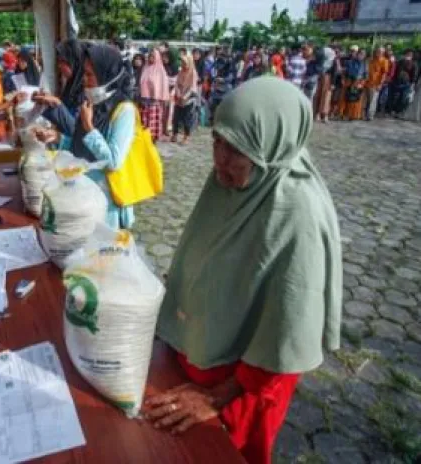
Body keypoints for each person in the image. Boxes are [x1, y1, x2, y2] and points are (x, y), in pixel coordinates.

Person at [146, 77, 342, 464]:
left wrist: (216, 397)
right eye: (217, 141)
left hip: (244, 385)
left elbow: (288, 332)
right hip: (197, 352)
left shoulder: (297, 213)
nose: (219, 159)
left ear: (271, 144)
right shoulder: (231, 178)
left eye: (235, 148)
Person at [35, 44, 136, 230]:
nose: (84, 80)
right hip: (84, 194)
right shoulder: (93, 103)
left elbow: (113, 162)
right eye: (84, 74)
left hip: (108, 203)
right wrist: (59, 138)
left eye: (90, 75)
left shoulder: (124, 110)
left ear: (107, 74)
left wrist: (89, 128)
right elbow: (80, 148)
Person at [139, 49, 170, 142]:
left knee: (153, 119)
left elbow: (163, 85)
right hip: (144, 98)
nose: (150, 58)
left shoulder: (160, 70)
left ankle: (153, 138)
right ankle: (145, 136)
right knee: (145, 119)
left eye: (153, 56)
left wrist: (158, 96)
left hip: (154, 100)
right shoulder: (145, 68)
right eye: (149, 56)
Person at [171, 55, 198, 145]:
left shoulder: (193, 72)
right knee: (176, 117)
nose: (183, 64)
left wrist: (185, 96)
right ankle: (174, 134)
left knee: (187, 118)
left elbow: (192, 87)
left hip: (188, 98)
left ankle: (186, 137)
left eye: (184, 62)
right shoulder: (180, 71)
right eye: (182, 62)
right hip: (179, 98)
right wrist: (178, 93)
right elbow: (177, 83)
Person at [387, 49, 418, 116]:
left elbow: (414, 75)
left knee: (403, 99)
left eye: (410, 54)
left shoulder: (413, 64)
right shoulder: (399, 62)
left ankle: (398, 111)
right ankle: (391, 110)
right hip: (396, 82)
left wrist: (412, 83)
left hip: (406, 84)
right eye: (407, 54)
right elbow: (395, 71)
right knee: (393, 97)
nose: (408, 56)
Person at [339, 47, 367, 121]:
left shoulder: (365, 64)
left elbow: (365, 75)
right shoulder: (349, 62)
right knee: (346, 99)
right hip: (349, 81)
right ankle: (343, 114)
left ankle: (353, 115)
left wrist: (361, 83)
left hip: (358, 83)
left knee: (356, 100)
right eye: (360, 54)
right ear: (357, 54)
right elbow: (344, 72)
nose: (361, 56)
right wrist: (343, 79)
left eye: (363, 54)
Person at [364, 47, 389, 121]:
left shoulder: (385, 61)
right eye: (377, 51)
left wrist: (380, 84)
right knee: (366, 100)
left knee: (373, 100)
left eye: (380, 52)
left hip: (376, 84)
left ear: (383, 53)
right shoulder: (371, 59)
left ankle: (370, 115)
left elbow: (384, 74)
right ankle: (364, 114)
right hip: (367, 82)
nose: (378, 53)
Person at [314, 46, 337, 123]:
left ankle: (325, 115)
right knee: (318, 96)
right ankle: (317, 114)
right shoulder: (320, 60)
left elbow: (334, 72)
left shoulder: (333, 61)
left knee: (326, 98)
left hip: (328, 80)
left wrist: (333, 83)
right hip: (320, 79)